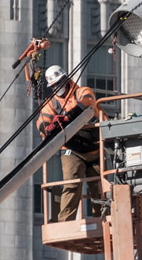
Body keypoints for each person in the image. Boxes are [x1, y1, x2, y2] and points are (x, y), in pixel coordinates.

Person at [34, 65, 101, 222]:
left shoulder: (81, 91)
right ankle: (65, 221)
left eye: (58, 83)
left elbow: (88, 103)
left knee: (99, 187)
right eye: (54, 86)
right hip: (72, 149)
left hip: (95, 147)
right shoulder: (51, 103)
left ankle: (104, 219)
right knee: (72, 183)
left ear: (65, 79)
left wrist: (67, 117)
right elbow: (42, 120)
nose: (57, 88)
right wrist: (48, 128)